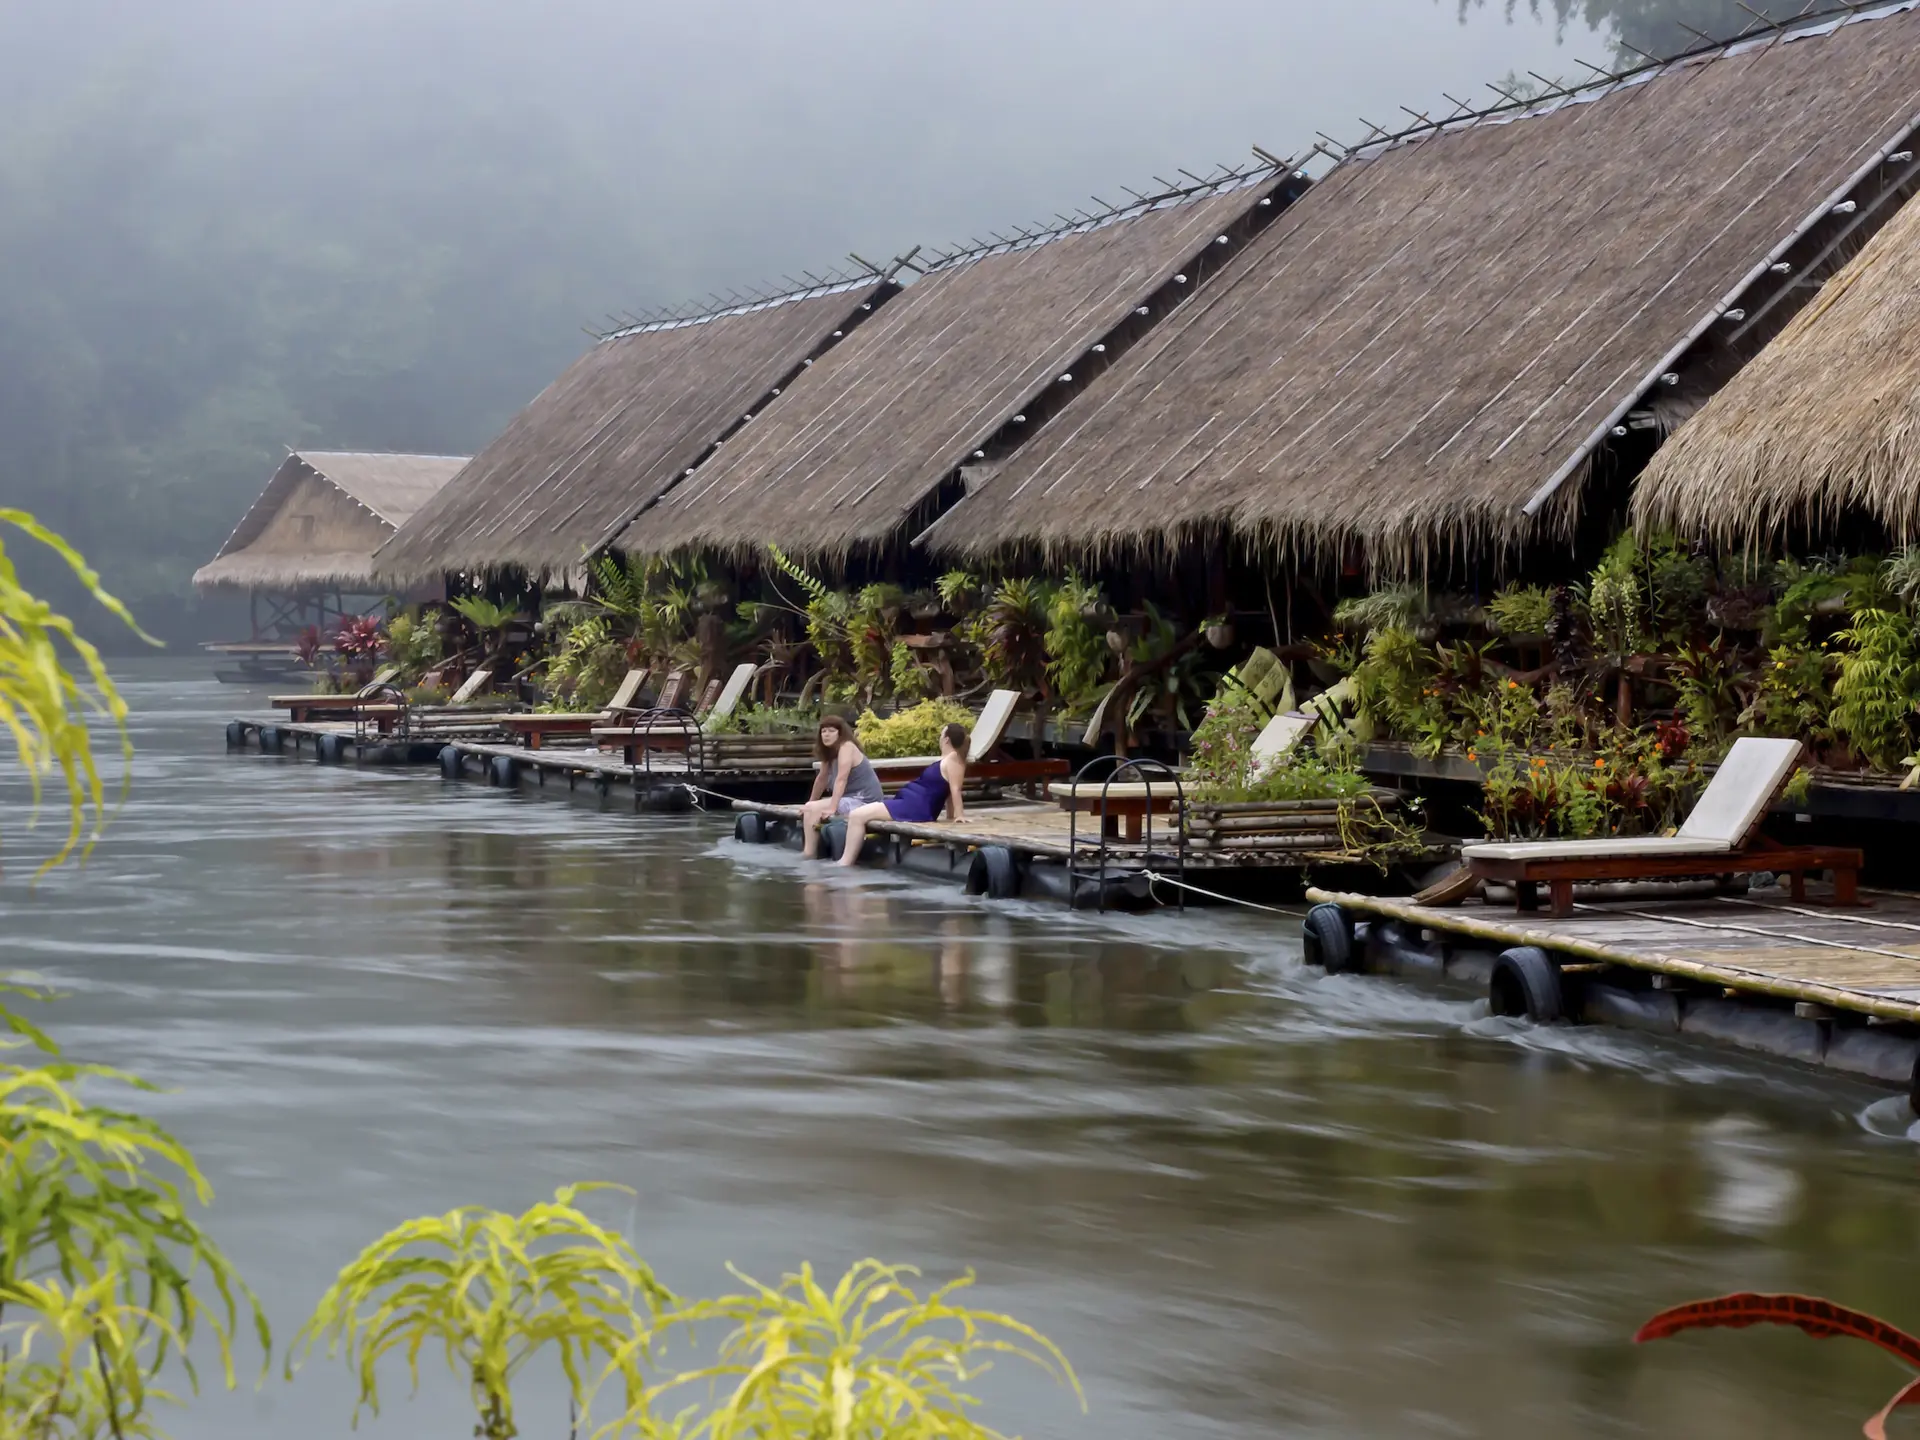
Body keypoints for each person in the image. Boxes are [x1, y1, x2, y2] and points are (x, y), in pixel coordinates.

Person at [837, 722, 969, 868]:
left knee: (857, 815)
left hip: (915, 807)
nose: (939, 737)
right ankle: (848, 860)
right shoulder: (947, 760)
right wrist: (951, 815)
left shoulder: (953, 760)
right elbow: (949, 791)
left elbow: (955, 789)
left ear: (946, 740)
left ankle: (845, 863)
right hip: (910, 802)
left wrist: (959, 815)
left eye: (941, 734)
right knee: (858, 814)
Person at [800, 714, 884, 859]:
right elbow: (822, 778)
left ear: (840, 733)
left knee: (813, 809)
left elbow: (841, 779)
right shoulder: (830, 752)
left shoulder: (847, 747)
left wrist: (833, 807)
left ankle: (809, 854)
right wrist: (811, 801)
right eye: (823, 731)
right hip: (847, 798)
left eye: (831, 731)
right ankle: (809, 852)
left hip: (863, 800)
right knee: (810, 807)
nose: (826, 735)